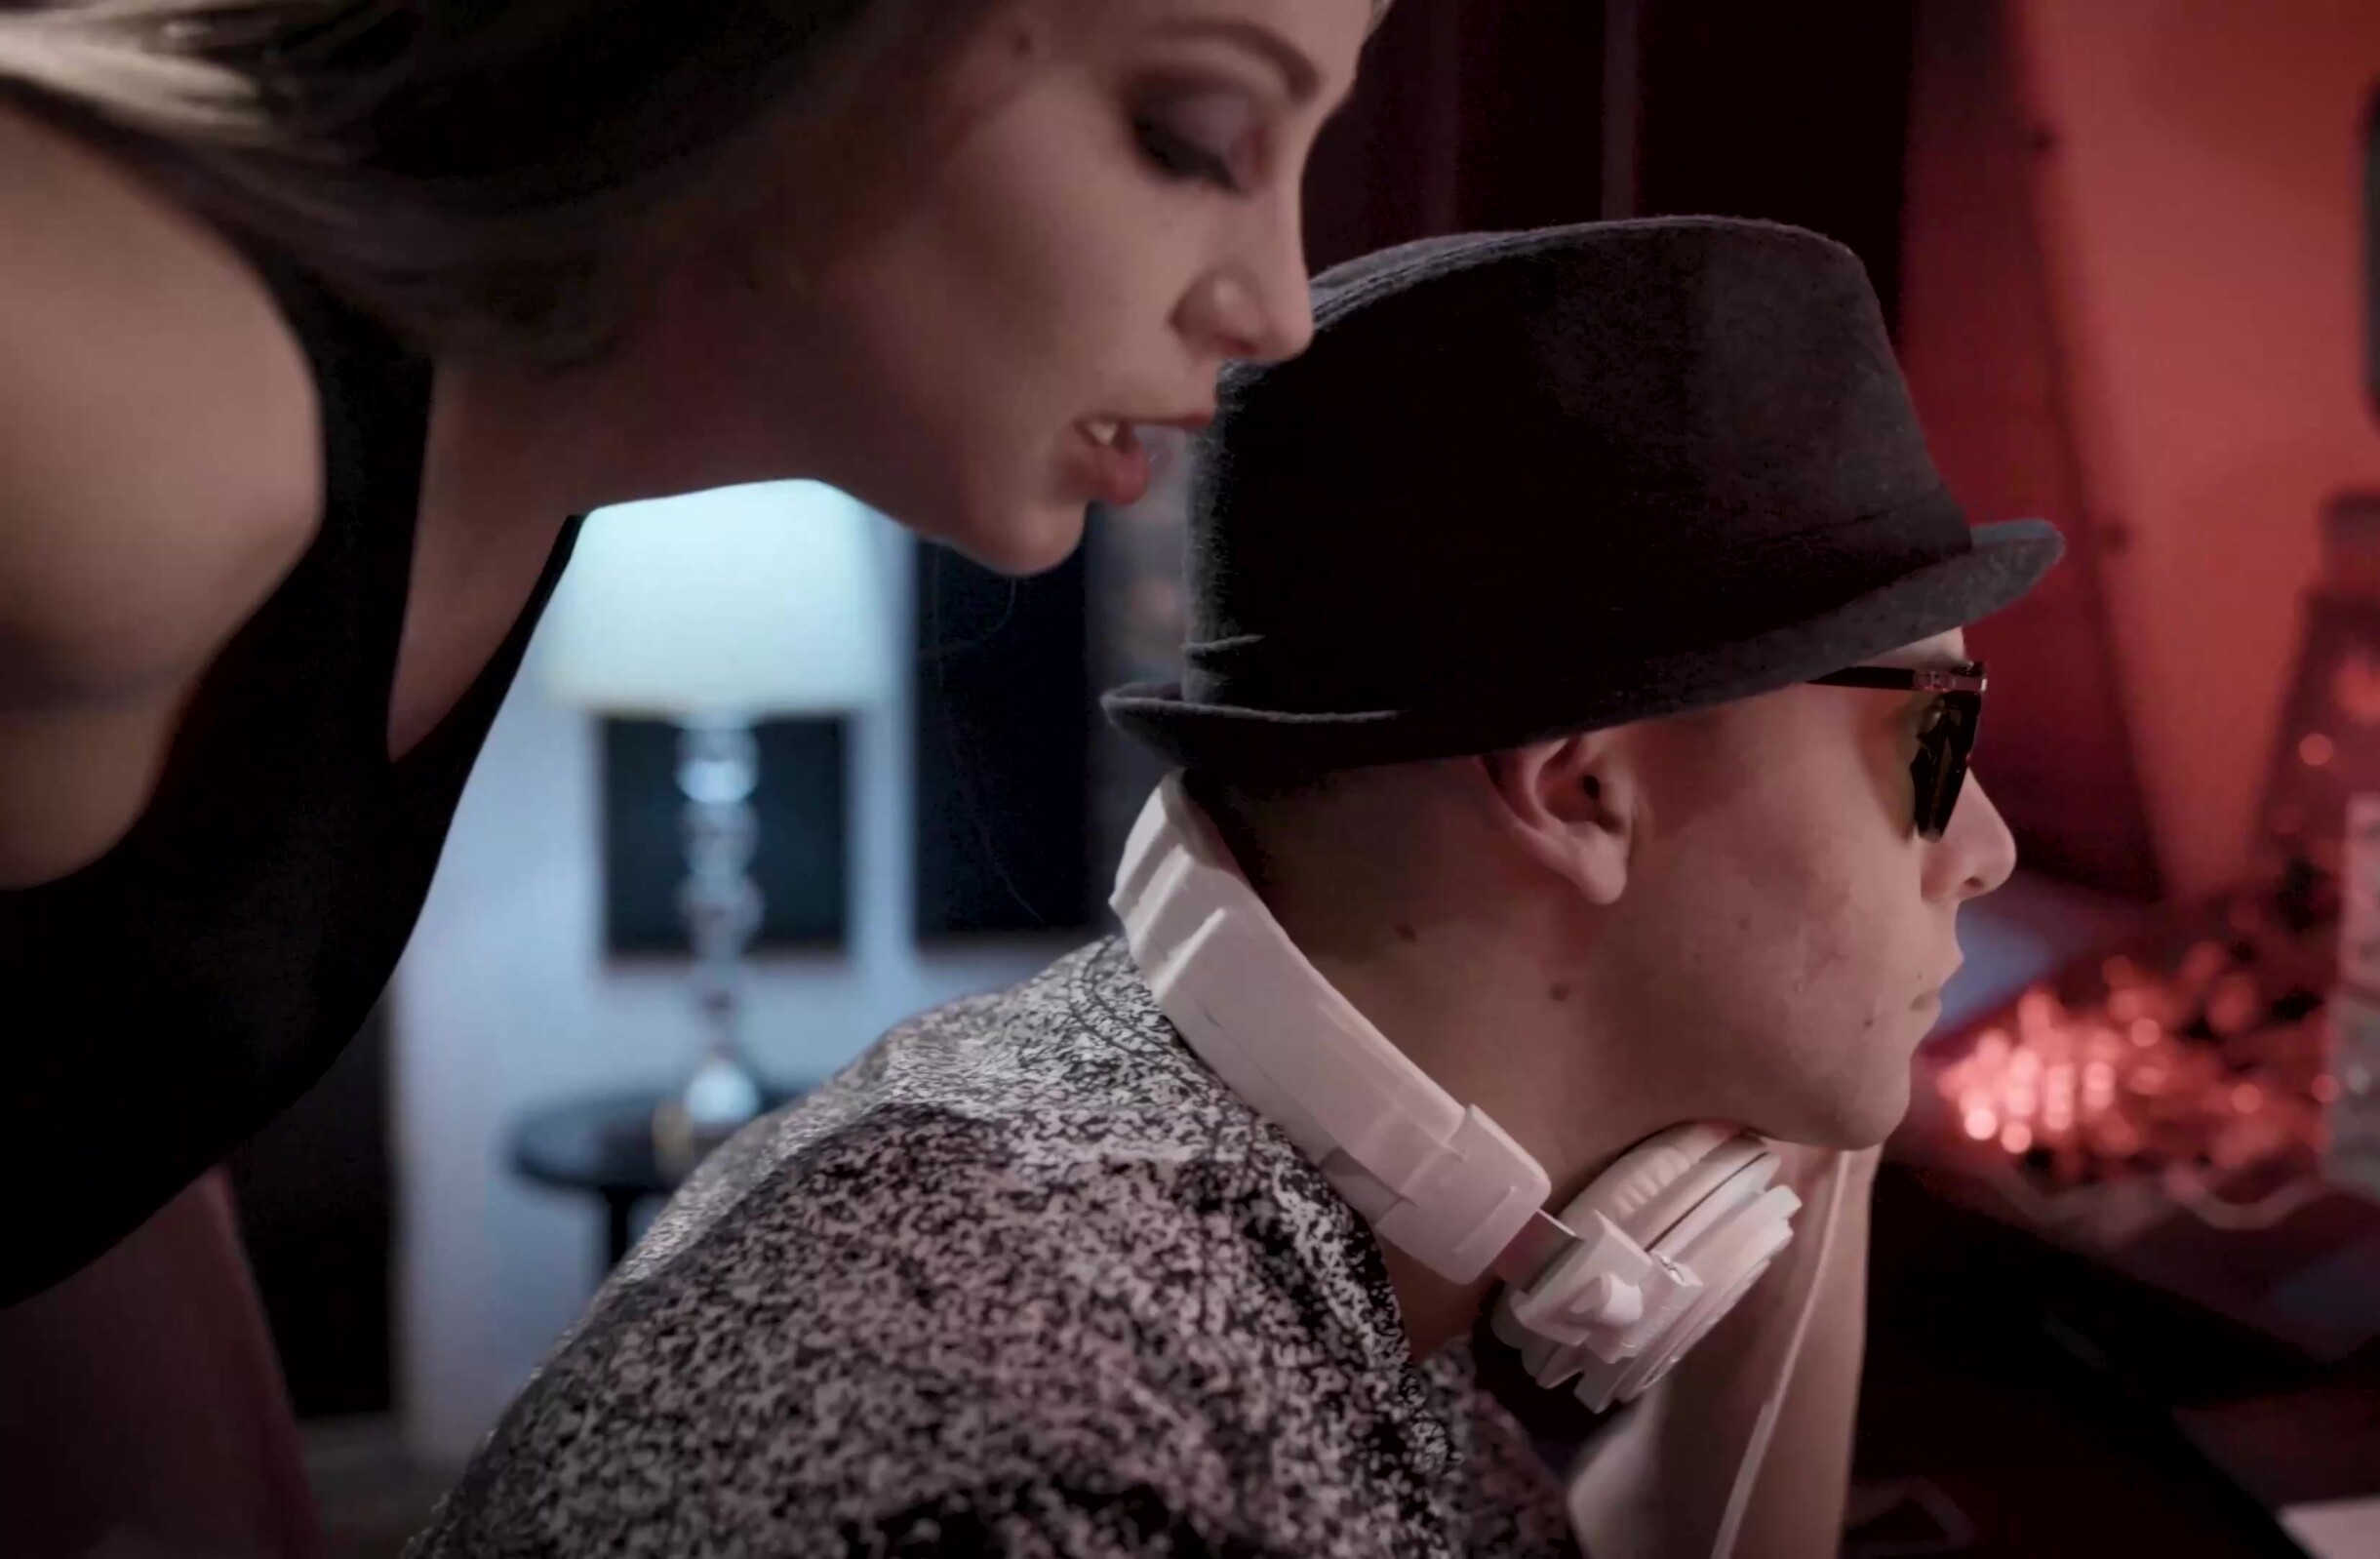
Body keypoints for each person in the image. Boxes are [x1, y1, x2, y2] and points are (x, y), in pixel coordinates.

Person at [411, 217, 2058, 1559]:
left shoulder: (1189, 1171)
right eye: (1933, 734)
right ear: (1581, 787)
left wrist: (1804, 1140)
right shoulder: (1052, 1460)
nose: (1982, 844)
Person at [0, 1, 1369, 1551]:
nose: (1280, 309)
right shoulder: (165, 399)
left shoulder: (477, 477)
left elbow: (84, 1066)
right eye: (1190, 135)